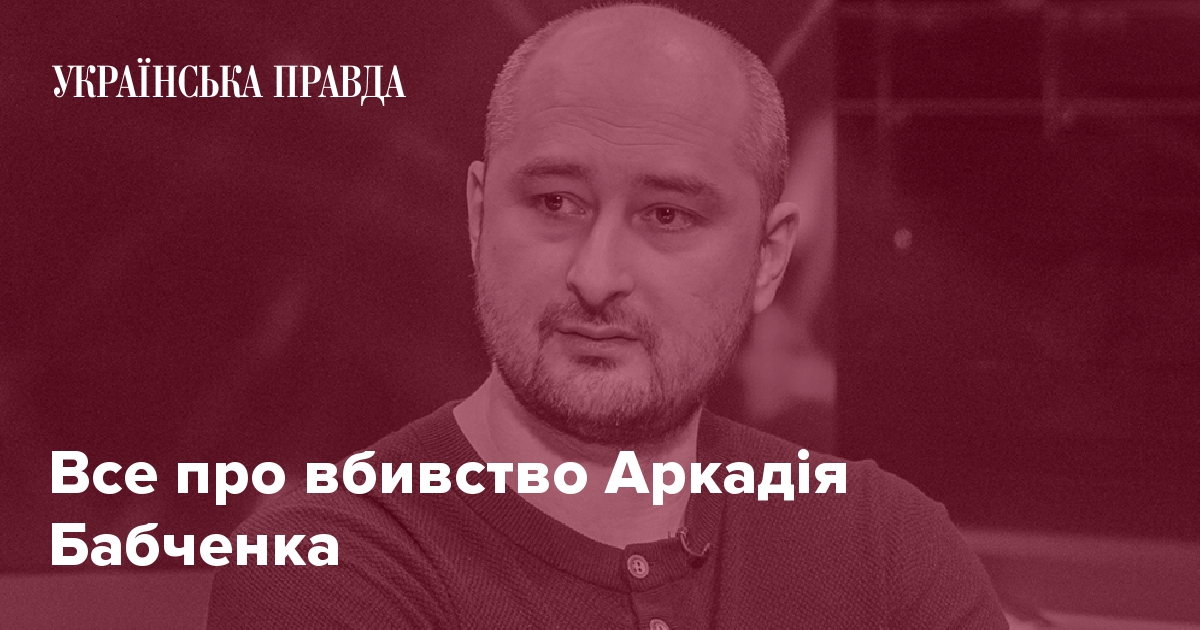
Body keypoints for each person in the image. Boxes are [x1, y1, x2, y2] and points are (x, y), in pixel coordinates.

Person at [207, 3, 1007, 627]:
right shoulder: (333, 562)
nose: (596, 277)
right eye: (555, 203)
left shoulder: (883, 548)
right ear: (479, 217)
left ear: (768, 258)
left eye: (667, 216)